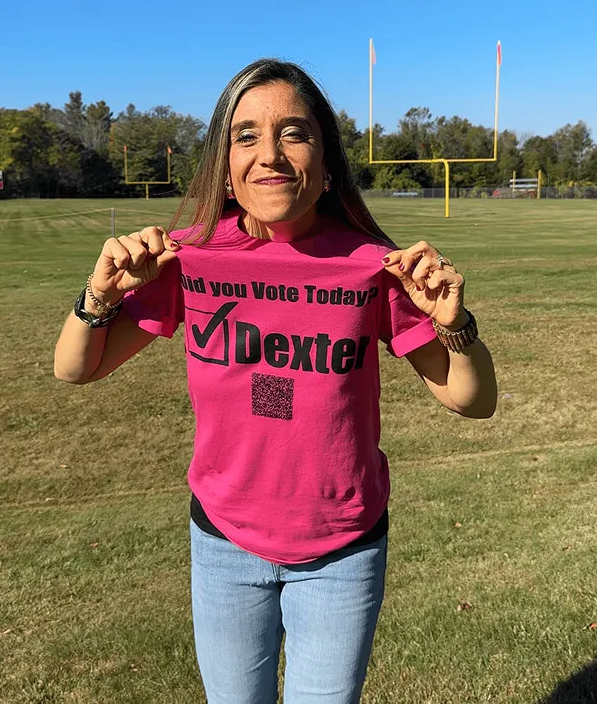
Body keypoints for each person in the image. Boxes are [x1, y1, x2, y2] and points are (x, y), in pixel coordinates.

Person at [54, 59, 497, 704]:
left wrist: (455, 325)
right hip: (224, 543)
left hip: (342, 550)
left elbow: (471, 399)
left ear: (326, 159)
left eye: (294, 133)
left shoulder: (372, 266)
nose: (270, 155)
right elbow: (76, 368)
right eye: (247, 136)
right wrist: (100, 295)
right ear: (224, 164)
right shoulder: (188, 256)